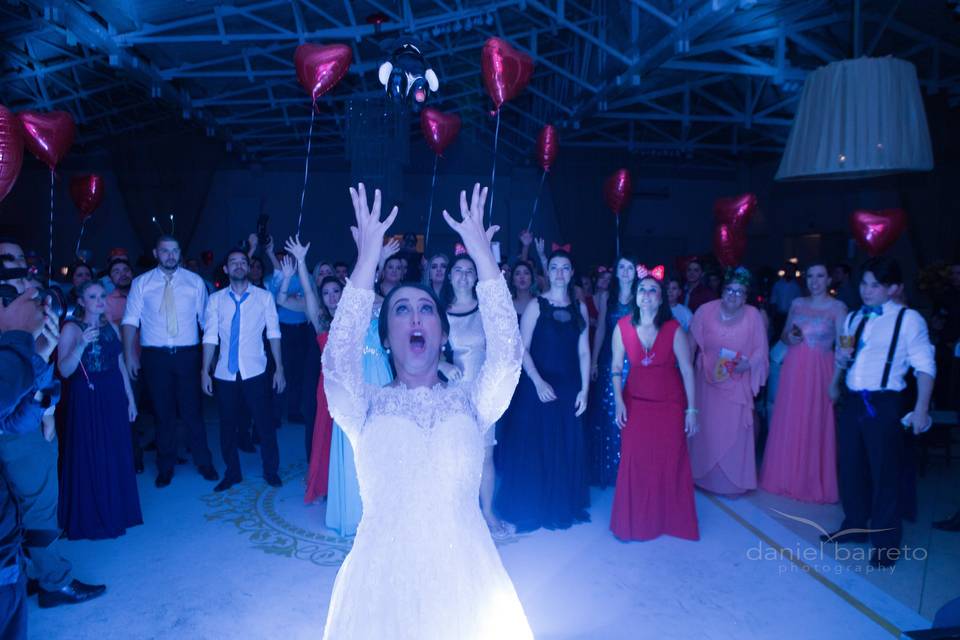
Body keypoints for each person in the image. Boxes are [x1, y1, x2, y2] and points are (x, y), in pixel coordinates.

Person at [321, 183, 532, 639]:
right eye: (400, 310)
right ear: (385, 337)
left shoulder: (472, 401)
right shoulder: (366, 407)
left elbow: (509, 356)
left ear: (441, 333)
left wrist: (483, 258)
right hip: (382, 586)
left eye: (425, 310)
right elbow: (337, 365)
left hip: (466, 582)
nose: (415, 317)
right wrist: (366, 263)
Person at [0, 241, 106, 608]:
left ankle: (29, 573)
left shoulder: (35, 307)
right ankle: (54, 582)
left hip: (31, 417)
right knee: (38, 506)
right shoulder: (18, 314)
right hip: (15, 424)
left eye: (18, 256)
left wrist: (47, 413)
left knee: (27, 505)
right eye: (9, 258)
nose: (16, 264)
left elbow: (42, 363)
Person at [824, 257, 935, 567]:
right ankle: (855, 527)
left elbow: (925, 366)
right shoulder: (853, 318)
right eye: (864, 284)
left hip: (885, 403)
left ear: (894, 288)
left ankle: (886, 542)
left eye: (876, 285)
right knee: (851, 468)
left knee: (884, 472)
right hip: (853, 400)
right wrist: (835, 382)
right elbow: (842, 356)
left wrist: (921, 408)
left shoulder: (909, 320)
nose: (867, 291)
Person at [496, 247, 591, 532]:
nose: (560, 273)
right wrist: (537, 381)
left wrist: (585, 390)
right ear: (548, 273)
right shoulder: (537, 305)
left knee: (563, 445)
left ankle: (559, 504)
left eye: (565, 268)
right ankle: (533, 506)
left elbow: (584, 352)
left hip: (569, 385)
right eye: (555, 268)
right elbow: (521, 348)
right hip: (538, 386)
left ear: (571, 273)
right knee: (536, 446)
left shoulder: (580, 307)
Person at [610, 266, 699, 541]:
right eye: (642, 290)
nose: (647, 295)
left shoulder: (673, 329)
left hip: (670, 407)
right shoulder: (622, 326)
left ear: (661, 299)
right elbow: (615, 367)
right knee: (634, 463)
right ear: (635, 297)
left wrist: (691, 410)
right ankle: (633, 523)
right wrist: (618, 403)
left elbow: (686, 370)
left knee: (669, 462)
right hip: (635, 404)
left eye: (653, 291)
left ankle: (669, 521)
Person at [121, 235, 219, 488]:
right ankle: (165, 467)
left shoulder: (195, 282)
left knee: (192, 412)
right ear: (156, 253)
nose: (171, 255)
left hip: (188, 354)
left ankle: (204, 462)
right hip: (155, 357)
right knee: (162, 414)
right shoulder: (142, 283)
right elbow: (130, 321)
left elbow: (206, 323)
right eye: (165, 251)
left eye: (175, 251)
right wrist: (130, 354)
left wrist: (210, 360)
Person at [57, 281, 142, 540]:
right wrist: (81, 344)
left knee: (116, 451)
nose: (100, 300)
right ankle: (93, 516)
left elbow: (119, 364)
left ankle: (119, 510)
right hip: (87, 396)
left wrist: (130, 399)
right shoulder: (71, 328)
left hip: (113, 394)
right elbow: (64, 371)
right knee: (91, 452)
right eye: (92, 296)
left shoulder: (111, 326)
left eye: (102, 295)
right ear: (81, 301)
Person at [325, 241, 396, 537]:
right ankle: (355, 512)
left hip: (381, 373)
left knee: (385, 440)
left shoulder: (385, 302)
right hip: (353, 378)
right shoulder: (346, 307)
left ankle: (387, 510)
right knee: (355, 441)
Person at [760, 262, 847, 503]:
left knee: (814, 421)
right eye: (810, 276)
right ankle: (785, 477)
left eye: (820, 276)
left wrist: (836, 382)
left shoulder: (838, 308)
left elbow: (843, 347)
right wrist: (791, 336)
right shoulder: (797, 304)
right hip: (794, 367)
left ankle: (809, 480)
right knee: (789, 420)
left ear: (829, 280)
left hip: (820, 370)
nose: (815, 281)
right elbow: (785, 335)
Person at [201, 249, 285, 492]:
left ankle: (271, 470)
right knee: (227, 425)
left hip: (256, 371)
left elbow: (273, 333)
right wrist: (204, 370)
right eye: (233, 262)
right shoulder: (215, 299)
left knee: (264, 423)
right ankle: (232, 472)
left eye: (242, 262)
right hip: (224, 374)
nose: (238, 265)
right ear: (226, 269)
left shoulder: (264, 297)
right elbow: (210, 336)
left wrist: (279, 368)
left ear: (248, 268)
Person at [1, 287, 58, 638]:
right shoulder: (12, 346)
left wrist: (39, 357)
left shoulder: (15, 353)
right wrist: (19, 338)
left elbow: (14, 422)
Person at [440, 254, 506, 535]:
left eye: (470, 271)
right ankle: (455, 511)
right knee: (454, 455)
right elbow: (424, 345)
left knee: (484, 455)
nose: (464, 276)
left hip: (483, 391)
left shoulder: (487, 309)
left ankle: (488, 512)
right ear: (449, 275)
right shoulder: (438, 309)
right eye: (458, 270)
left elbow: (502, 349)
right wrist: (442, 363)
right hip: (451, 393)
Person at [688, 267, 769, 495]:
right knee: (707, 430)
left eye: (739, 292)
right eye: (730, 290)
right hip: (706, 381)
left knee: (732, 432)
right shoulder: (705, 310)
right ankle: (702, 478)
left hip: (736, 382)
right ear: (722, 291)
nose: (733, 295)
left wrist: (748, 365)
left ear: (746, 296)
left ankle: (732, 483)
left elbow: (760, 351)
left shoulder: (753, 315)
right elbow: (691, 343)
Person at [283, 238, 341, 504]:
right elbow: (308, 294)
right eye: (326, 292)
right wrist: (302, 261)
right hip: (327, 385)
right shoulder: (319, 320)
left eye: (335, 292)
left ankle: (346, 484)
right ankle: (325, 484)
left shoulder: (353, 317)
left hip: (352, 383)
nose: (330, 297)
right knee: (324, 434)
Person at [587, 256, 637, 487]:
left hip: (635, 362)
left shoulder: (641, 297)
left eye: (630, 268)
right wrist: (595, 361)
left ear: (636, 272)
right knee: (609, 412)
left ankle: (630, 469)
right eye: (622, 268)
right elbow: (601, 331)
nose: (626, 272)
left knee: (633, 413)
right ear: (616, 272)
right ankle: (610, 469)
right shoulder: (608, 297)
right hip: (611, 360)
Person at [266, 238, 311, 425]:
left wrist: (293, 301)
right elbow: (277, 301)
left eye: (291, 258)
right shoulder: (273, 279)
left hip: (301, 330)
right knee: (279, 369)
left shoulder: (304, 277)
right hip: (282, 330)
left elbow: (308, 302)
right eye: (284, 258)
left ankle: (293, 411)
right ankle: (275, 414)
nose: (287, 261)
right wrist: (295, 300)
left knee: (298, 372)